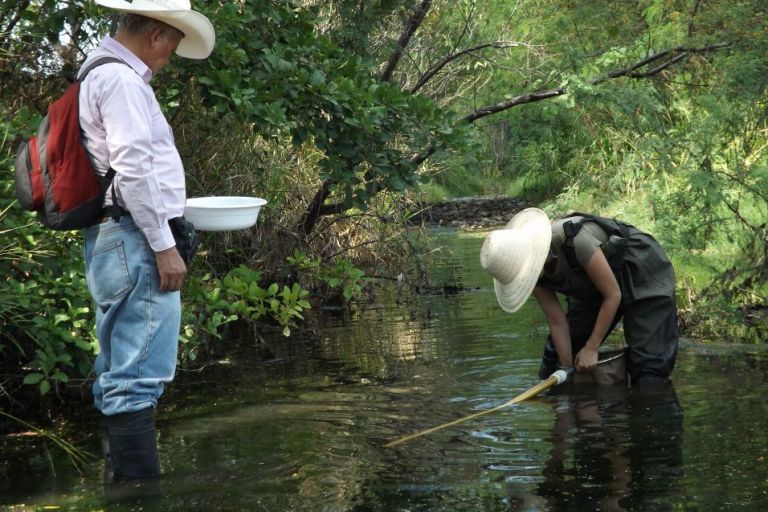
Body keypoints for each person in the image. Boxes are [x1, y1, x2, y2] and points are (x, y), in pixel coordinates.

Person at [79, 0, 214, 484]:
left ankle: (119, 484)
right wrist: (164, 245)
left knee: (117, 371)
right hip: (135, 240)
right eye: (172, 47)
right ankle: (139, 495)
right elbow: (134, 168)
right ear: (156, 35)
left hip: (110, 238)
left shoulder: (94, 69)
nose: (169, 59)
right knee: (136, 378)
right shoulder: (121, 81)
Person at [480, 208, 678, 385]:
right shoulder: (531, 277)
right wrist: (565, 370)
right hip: (599, 286)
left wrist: (592, 347)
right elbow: (557, 322)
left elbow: (612, 295)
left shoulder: (576, 241)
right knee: (557, 360)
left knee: (649, 370)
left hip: (642, 268)